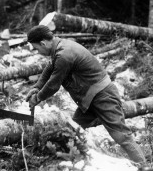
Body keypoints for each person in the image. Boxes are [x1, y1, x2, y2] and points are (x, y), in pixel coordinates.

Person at [25, 25, 146, 163]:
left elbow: (54, 84)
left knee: (122, 136)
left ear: (43, 43)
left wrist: (38, 98)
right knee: (73, 131)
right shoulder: (59, 47)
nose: (37, 51)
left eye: (36, 48)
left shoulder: (64, 54)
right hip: (90, 98)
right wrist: (37, 87)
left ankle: (146, 167)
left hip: (103, 96)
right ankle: (71, 162)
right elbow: (49, 67)